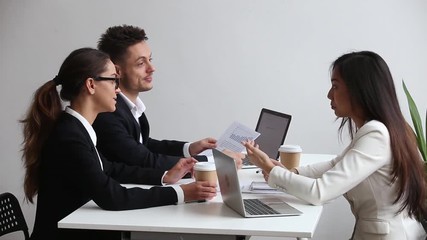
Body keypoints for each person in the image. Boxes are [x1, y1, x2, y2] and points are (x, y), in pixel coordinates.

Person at [20, 48, 217, 240]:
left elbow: (111, 169)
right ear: (91, 85)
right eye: (113, 80)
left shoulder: (76, 129)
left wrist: (165, 176)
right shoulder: (69, 136)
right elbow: (112, 196)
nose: (118, 88)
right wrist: (180, 193)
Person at [243, 51, 427, 239]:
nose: (329, 95)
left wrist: (269, 168)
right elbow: (335, 165)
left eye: (335, 86)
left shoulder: (377, 134)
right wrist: (289, 172)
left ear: (359, 89)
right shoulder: (386, 128)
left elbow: (320, 192)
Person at [93, 25, 243, 171]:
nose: (151, 68)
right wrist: (214, 161)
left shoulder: (128, 106)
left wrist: (189, 148)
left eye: (150, 59)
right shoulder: (108, 113)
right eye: (140, 63)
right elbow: (144, 160)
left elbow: (142, 145)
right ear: (116, 71)